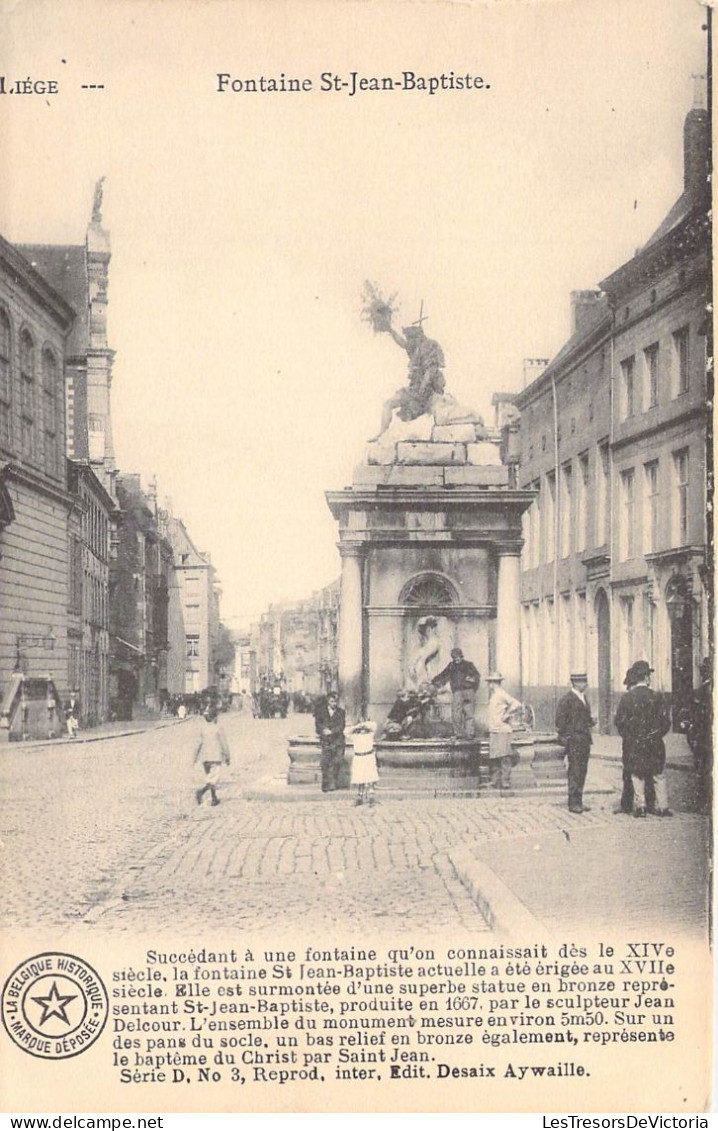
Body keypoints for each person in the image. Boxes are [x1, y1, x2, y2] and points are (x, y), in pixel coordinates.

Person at [614, 661, 672, 818]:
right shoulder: (657, 697)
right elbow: (666, 722)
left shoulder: (627, 698)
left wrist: (630, 736)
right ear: (646, 677)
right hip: (655, 743)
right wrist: (656, 735)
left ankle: (641, 807)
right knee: (658, 774)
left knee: (637, 774)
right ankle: (663, 807)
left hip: (635, 743)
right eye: (649, 676)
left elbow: (619, 721)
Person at [555, 672, 594, 814]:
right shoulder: (567, 700)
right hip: (575, 741)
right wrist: (570, 735)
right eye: (583, 681)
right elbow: (560, 721)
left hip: (584, 740)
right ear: (576, 683)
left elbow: (583, 718)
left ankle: (579, 801)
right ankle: (573, 803)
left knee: (582, 771)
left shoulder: (583, 698)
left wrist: (590, 721)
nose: (586, 684)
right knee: (575, 771)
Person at [432, 647, 480, 739]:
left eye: (458, 657)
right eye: (454, 657)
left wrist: (472, 685)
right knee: (456, 713)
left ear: (461, 656)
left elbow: (476, 677)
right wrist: (434, 681)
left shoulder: (469, 665)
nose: (456, 659)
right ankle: (459, 734)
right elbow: (444, 674)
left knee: (469, 713)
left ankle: (469, 733)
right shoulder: (451, 666)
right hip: (457, 691)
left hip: (468, 691)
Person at [486, 672, 523, 789]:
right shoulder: (494, 695)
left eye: (491, 682)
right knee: (495, 757)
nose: (489, 684)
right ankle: (495, 781)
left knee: (504, 756)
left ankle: (505, 781)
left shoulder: (501, 694)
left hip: (502, 730)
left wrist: (506, 714)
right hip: (494, 729)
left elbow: (516, 704)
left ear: (494, 683)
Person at [194, 703, 231, 807]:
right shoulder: (218, 728)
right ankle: (201, 792)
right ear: (215, 717)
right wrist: (228, 757)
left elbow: (198, 744)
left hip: (205, 758)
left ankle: (214, 798)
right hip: (216, 757)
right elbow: (224, 744)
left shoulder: (203, 729)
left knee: (209, 777)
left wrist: (195, 757)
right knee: (214, 779)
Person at [314, 691, 346, 793]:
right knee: (325, 763)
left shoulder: (341, 712)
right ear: (328, 701)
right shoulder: (321, 711)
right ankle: (325, 784)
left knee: (336, 761)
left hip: (338, 740)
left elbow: (341, 726)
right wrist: (323, 730)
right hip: (326, 741)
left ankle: (332, 783)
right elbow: (318, 725)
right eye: (332, 701)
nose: (334, 704)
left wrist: (331, 731)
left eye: (336, 701)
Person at [349, 720, 379, 806]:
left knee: (370, 777)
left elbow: (374, 725)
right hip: (358, 757)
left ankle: (371, 797)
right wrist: (357, 726)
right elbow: (346, 731)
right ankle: (359, 797)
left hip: (368, 757)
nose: (362, 730)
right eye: (361, 728)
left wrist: (364, 725)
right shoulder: (355, 736)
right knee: (359, 778)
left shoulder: (369, 735)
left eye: (364, 728)